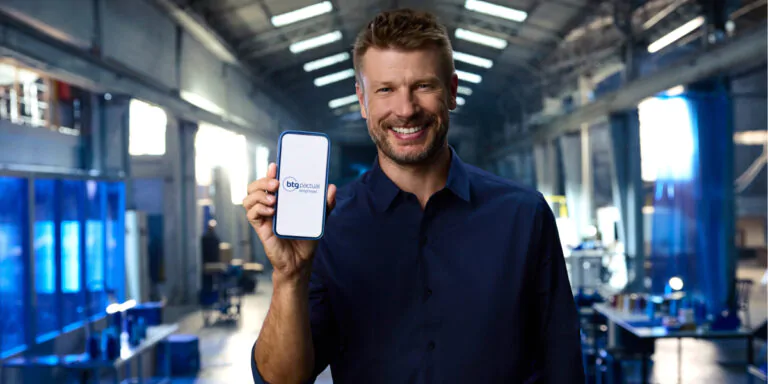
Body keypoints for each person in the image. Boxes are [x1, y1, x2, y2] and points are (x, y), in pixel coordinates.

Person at [242, 8, 584, 384]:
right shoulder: (329, 225)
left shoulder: (524, 215)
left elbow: (563, 363)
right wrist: (289, 276)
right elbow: (284, 380)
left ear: (451, 91)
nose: (405, 110)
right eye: (385, 89)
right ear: (362, 100)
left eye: (423, 86)